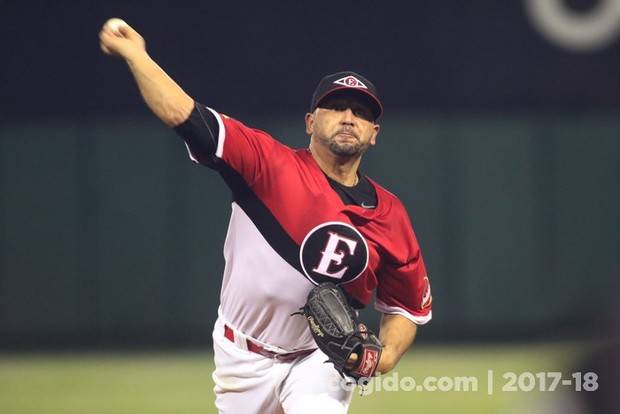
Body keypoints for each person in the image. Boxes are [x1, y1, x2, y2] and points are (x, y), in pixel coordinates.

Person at [99, 18, 433, 414]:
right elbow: (185, 115)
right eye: (336, 106)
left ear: (374, 133)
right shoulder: (267, 163)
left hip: (320, 359)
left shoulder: (389, 213)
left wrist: (385, 356)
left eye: (361, 112)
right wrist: (137, 55)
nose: (348, 117)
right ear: (310, 122)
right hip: (240, 357)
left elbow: (407, 306)